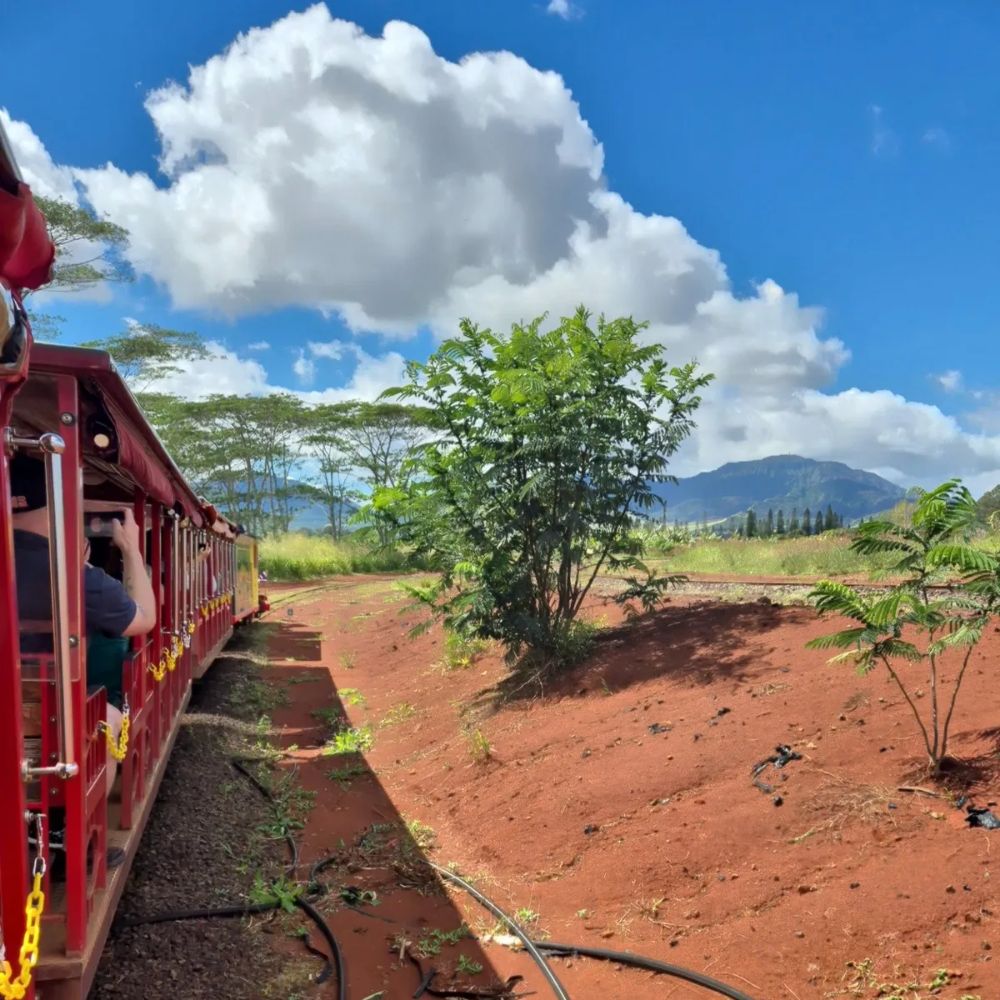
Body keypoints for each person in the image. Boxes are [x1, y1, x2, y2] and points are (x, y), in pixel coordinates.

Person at [11, 453, 157, 806]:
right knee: (106, 717)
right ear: (56, 506)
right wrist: (131, 551)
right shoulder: (76, 577)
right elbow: (145, 619)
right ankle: (78, 835)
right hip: (44, 712)